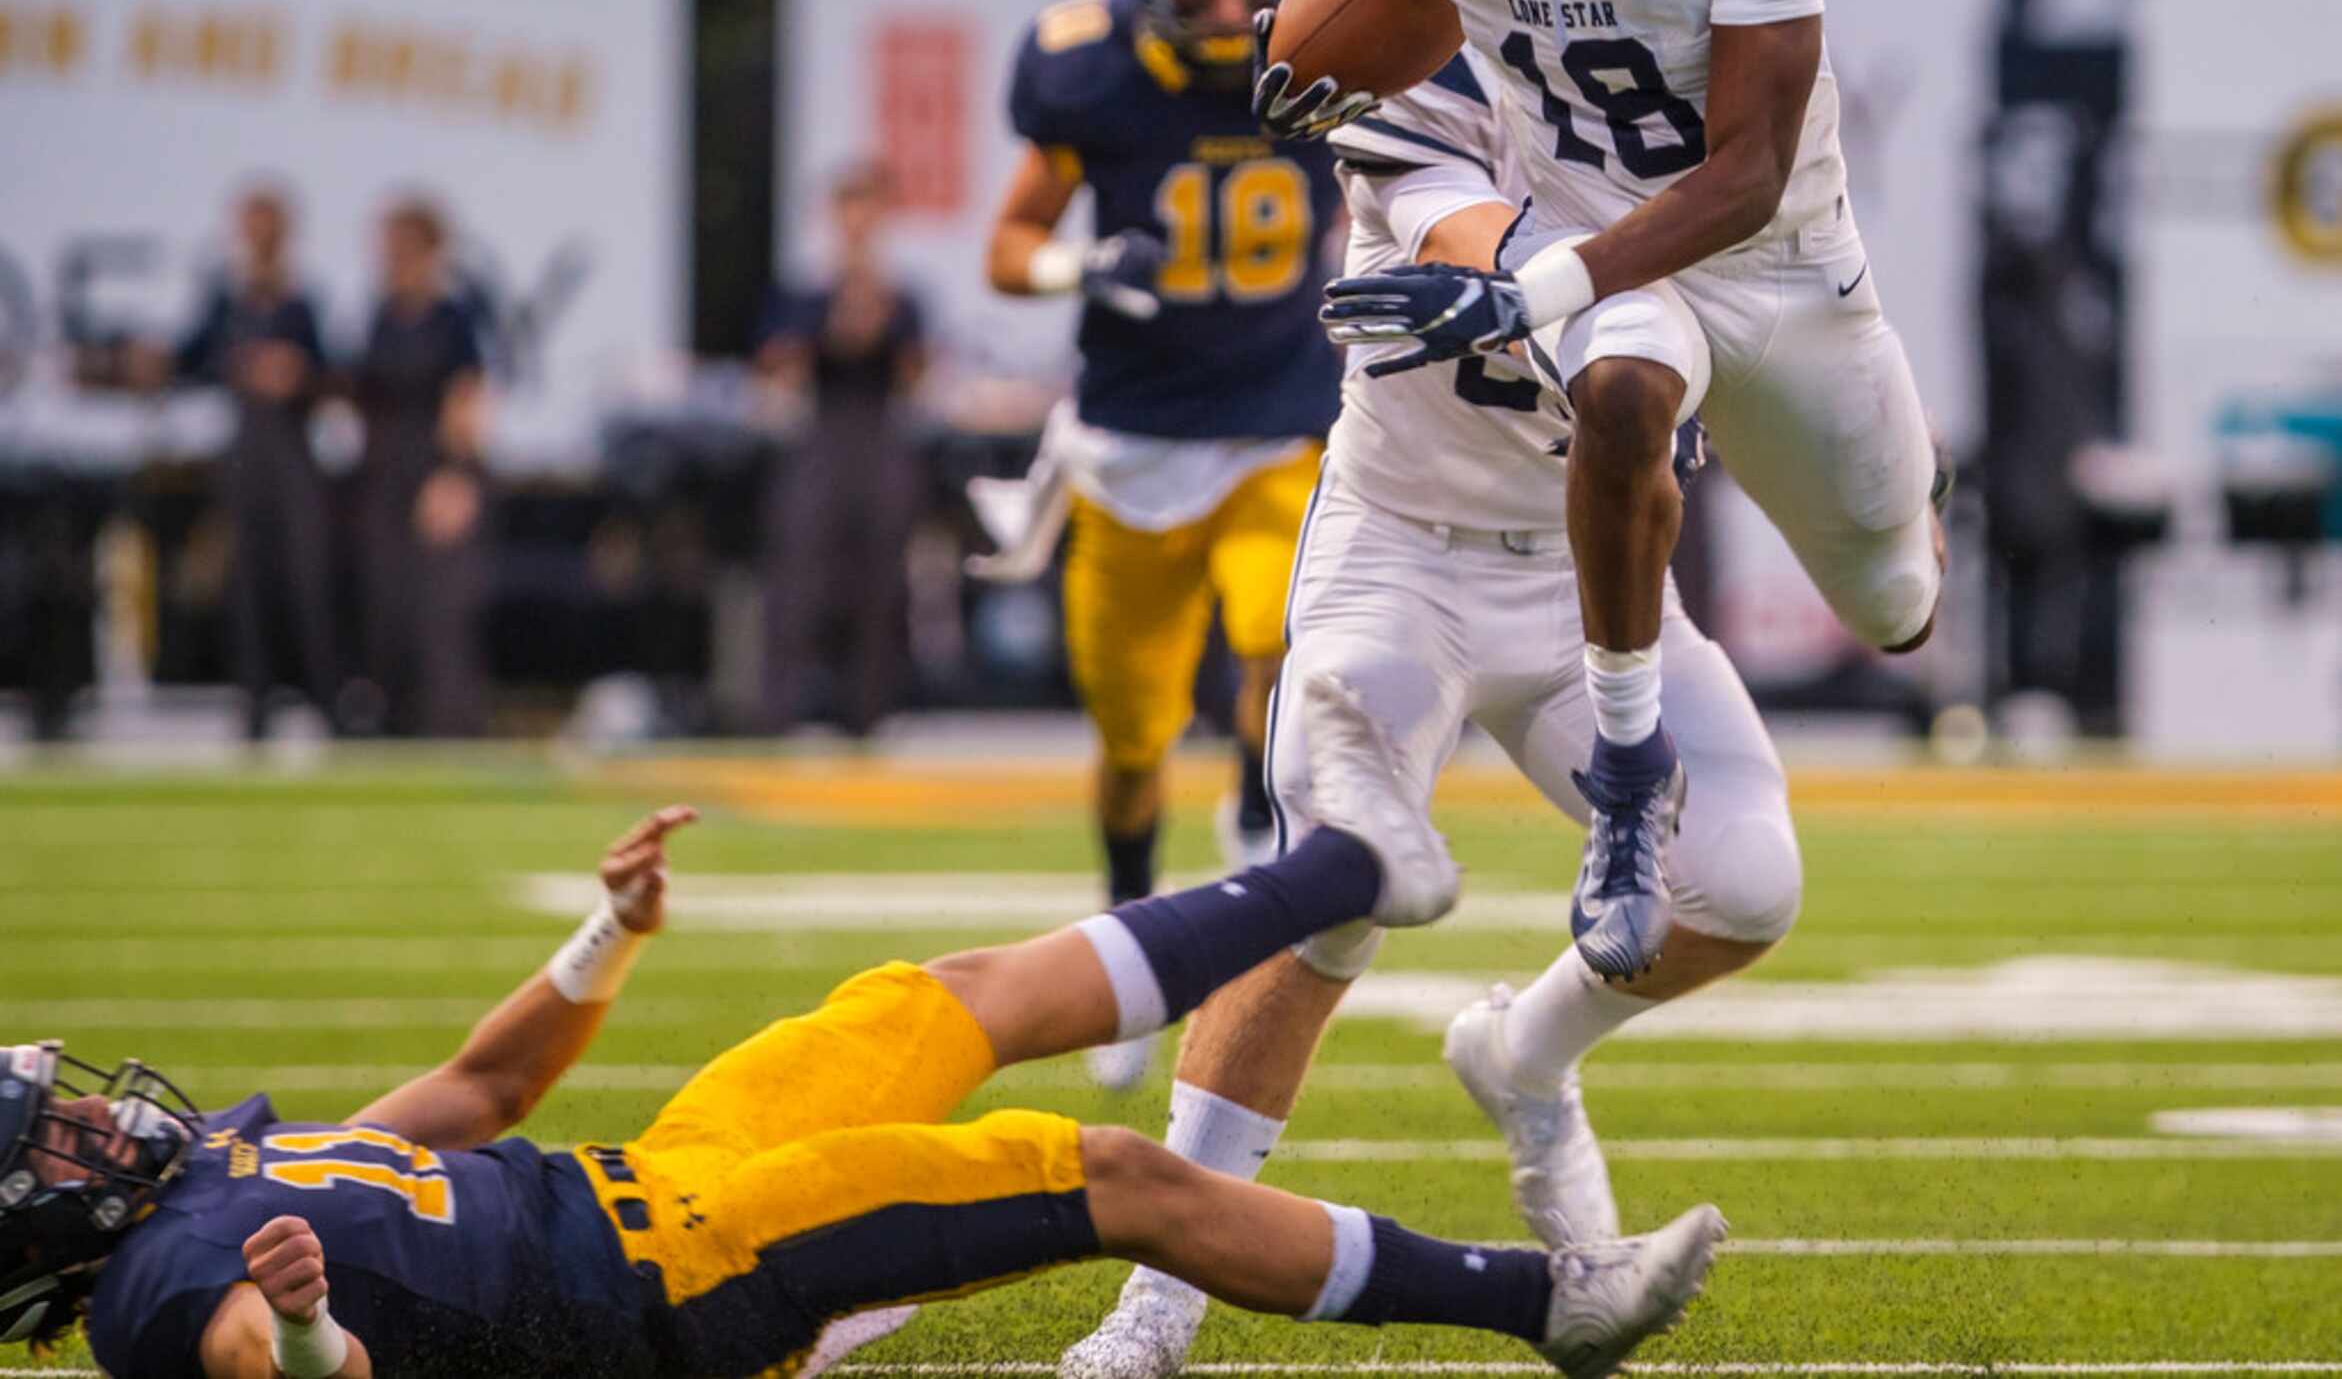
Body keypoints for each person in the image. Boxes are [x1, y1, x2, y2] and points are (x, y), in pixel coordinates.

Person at [2, 752, 1729, 1379]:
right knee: (1094, 1173)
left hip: (648, 1181)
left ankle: (1344, 866)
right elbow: (292, 1365)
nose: (93, 1107)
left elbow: (475, 1097)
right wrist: (304, 1327)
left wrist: (603, 936)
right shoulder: (166, 1289)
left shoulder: (206, 1175)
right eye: (52, 1126)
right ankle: (1544, 1304)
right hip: (665, 1284)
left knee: (933, 997)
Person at [1268, 0, 1948, 983]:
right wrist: (1315, 62)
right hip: (1600, 247)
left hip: (1769, 260)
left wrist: (1539, 286)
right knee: (1627, 389)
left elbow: (1748, 175)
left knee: (1896, 604)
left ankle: (1900, 500)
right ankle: (1629, 783)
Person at [1062, 61, 1800, 1377]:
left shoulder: (1708, 129)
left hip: (1590, 571)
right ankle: (1157, 1297)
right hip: (1402, 547)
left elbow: (1761, 351)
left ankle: (1525, 1053)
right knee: (1328, 886)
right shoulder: (1436, 77)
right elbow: (1473, 232)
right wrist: (1556, 286)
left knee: (1743, 881)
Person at [984, 0, 1345, 1087]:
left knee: (1281, 628)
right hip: (1133, 443)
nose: (1234, 10)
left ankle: (1254, 806)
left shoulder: (1329, 50)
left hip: (1278, 417)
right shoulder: (1089, 75)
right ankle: (1135, 916)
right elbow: (1007, 243)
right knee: (1130, 735)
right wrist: (1082, 265)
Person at [129, 185, 340, 741]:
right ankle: (255, 706)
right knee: (247, 584)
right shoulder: (226, 296)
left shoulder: (302, 300)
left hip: (293, 456)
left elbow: (329, 375)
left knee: (305, 580)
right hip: (246, 455)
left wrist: (294, 375)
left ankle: (326, 702)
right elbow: (194, 357)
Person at [756, 162, 930, 738]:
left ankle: (871, 716)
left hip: (879, 433)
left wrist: (875, 314)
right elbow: (778, 371)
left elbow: (916, 377)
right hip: (821, 434)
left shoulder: (902, 295)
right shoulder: (804, 291)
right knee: (800, 579)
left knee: (880, 582)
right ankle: (780, 716)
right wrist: (834, 320)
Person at [349, 198, 491, 738]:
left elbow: (467, 397)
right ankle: (393, 728)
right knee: (389, 607)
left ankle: (450, 733)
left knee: (441, 617)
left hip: (436, 473)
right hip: (384, 475)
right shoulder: (380, 315)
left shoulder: (451, 318)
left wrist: (455, 475)